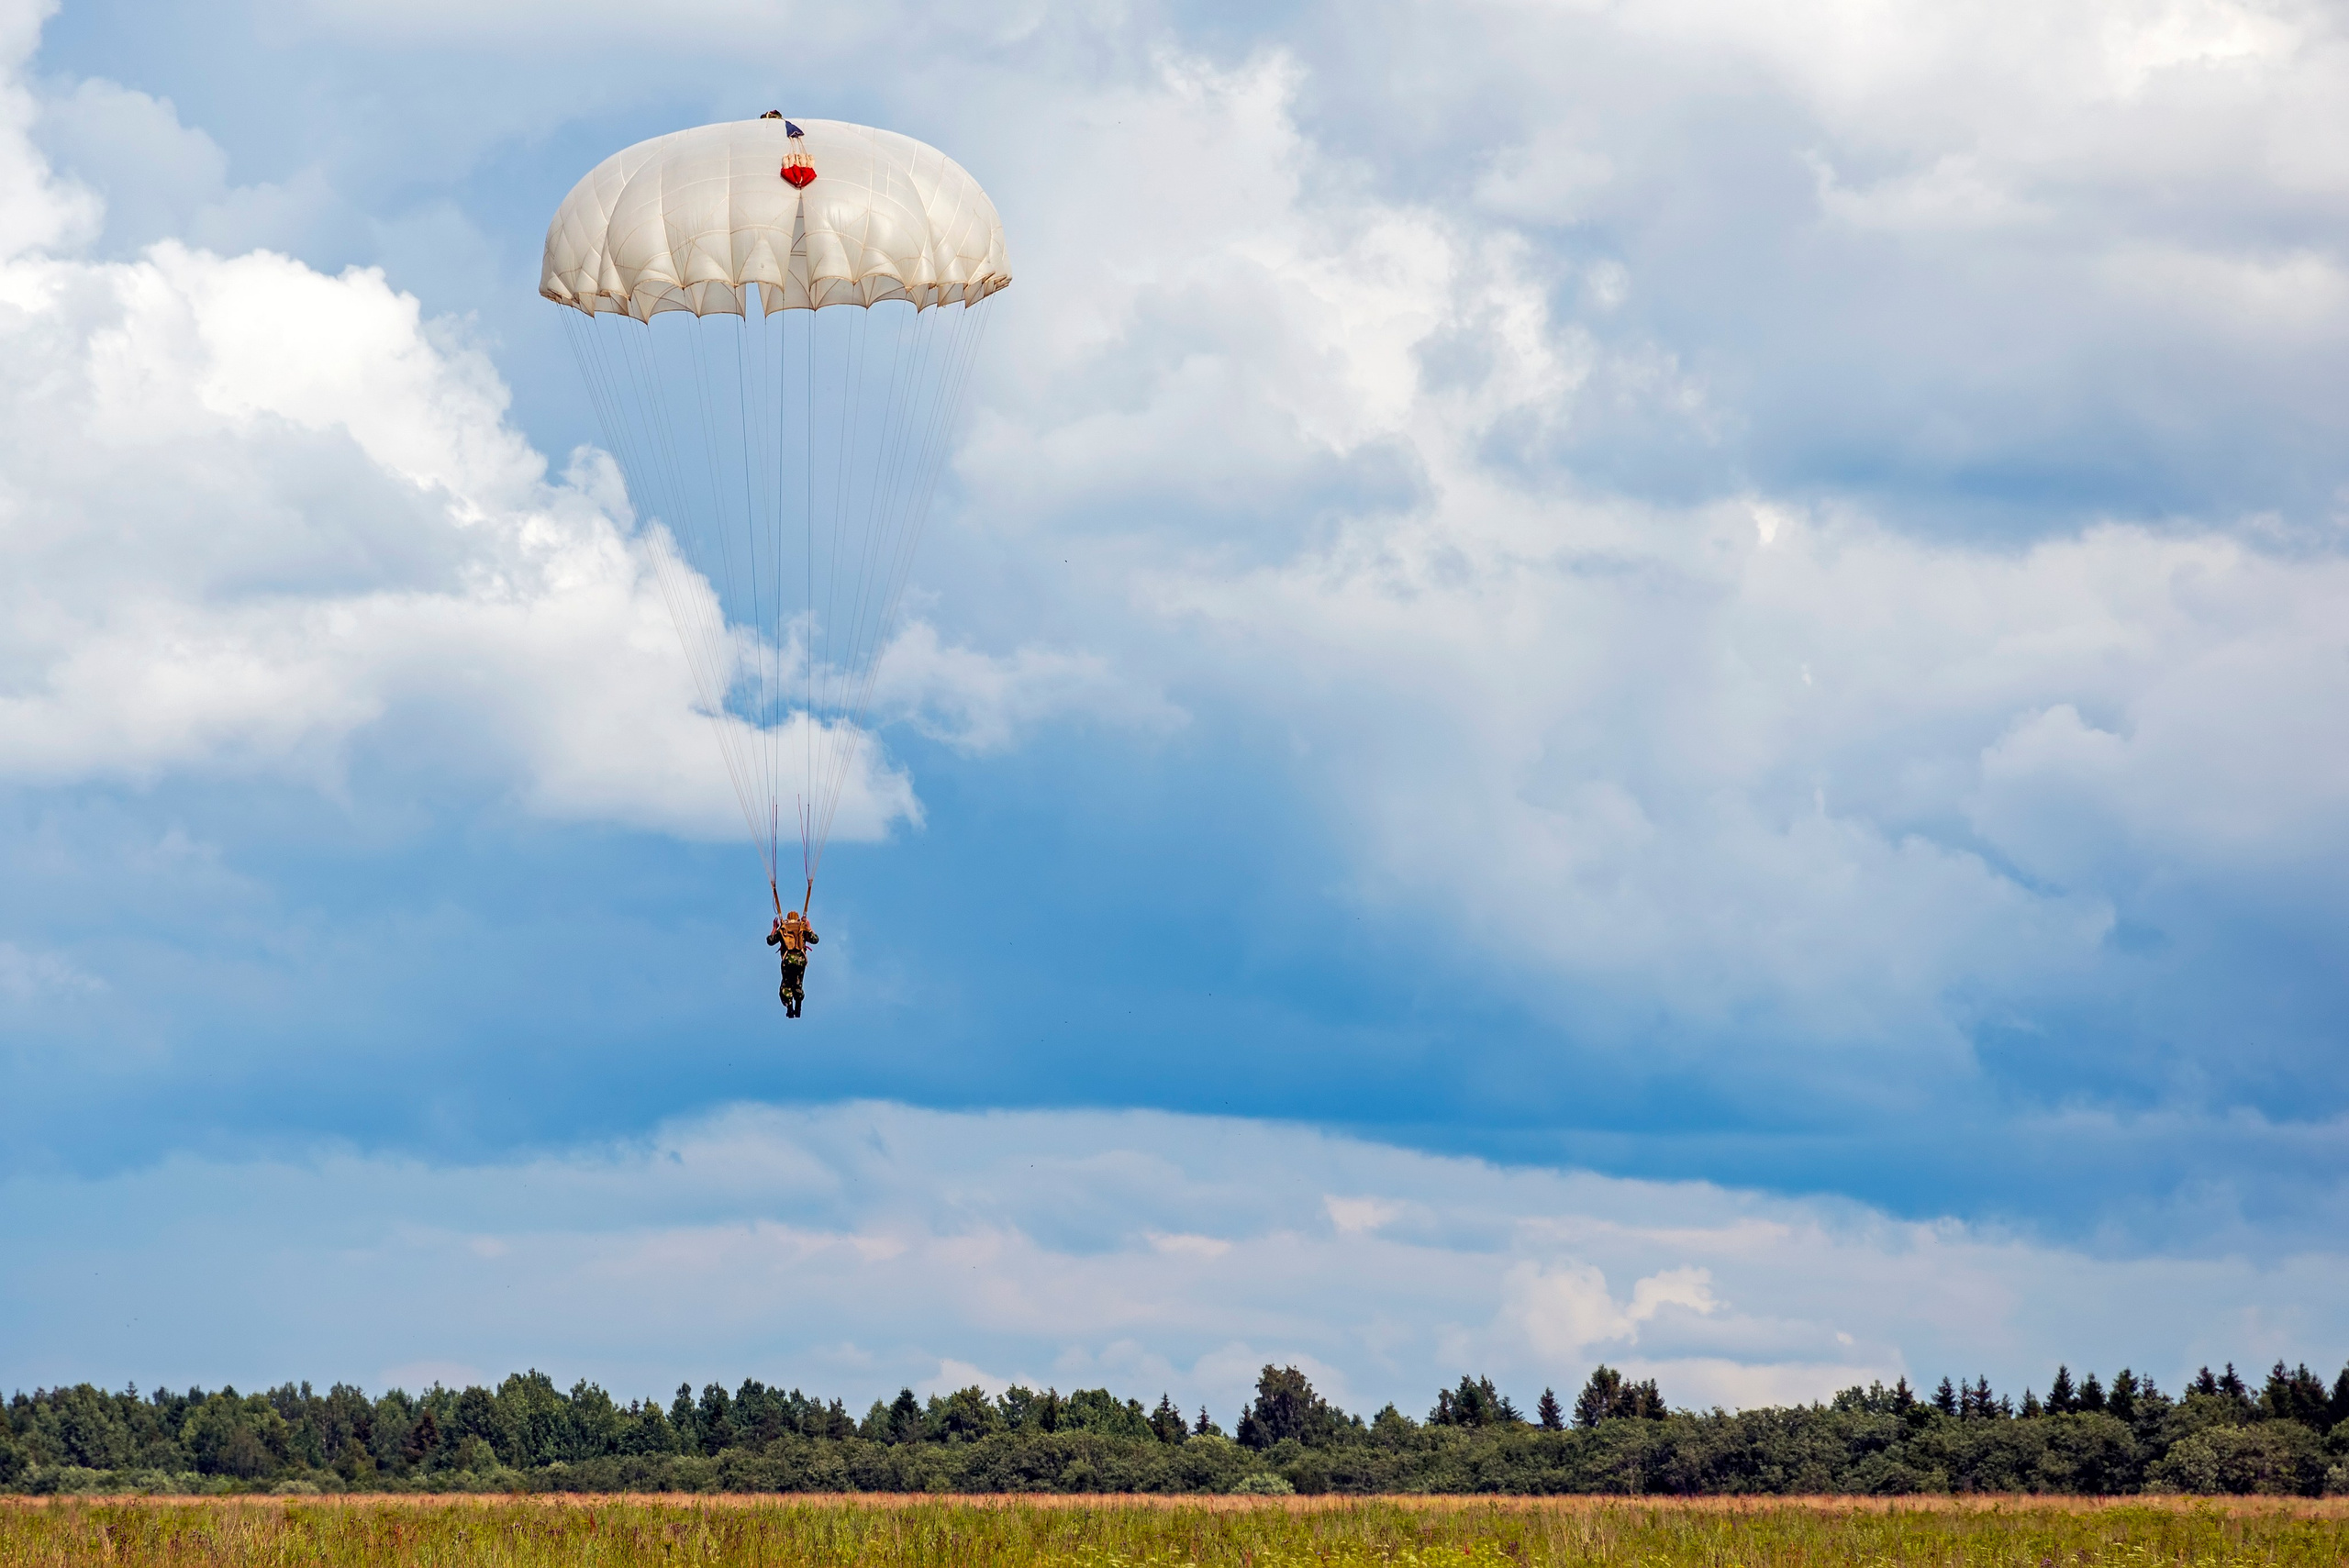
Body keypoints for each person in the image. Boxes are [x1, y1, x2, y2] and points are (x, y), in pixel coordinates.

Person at [767, 909, 818, 1017]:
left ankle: (790, 1008)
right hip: (800, 960)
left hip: (788, 960)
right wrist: (809, 927)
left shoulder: (783, 928)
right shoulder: (802, 928)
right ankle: (798, 1006)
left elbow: (770, 941)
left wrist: (774, 928)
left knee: (786, 984)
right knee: (798, 983)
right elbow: (815, 940)